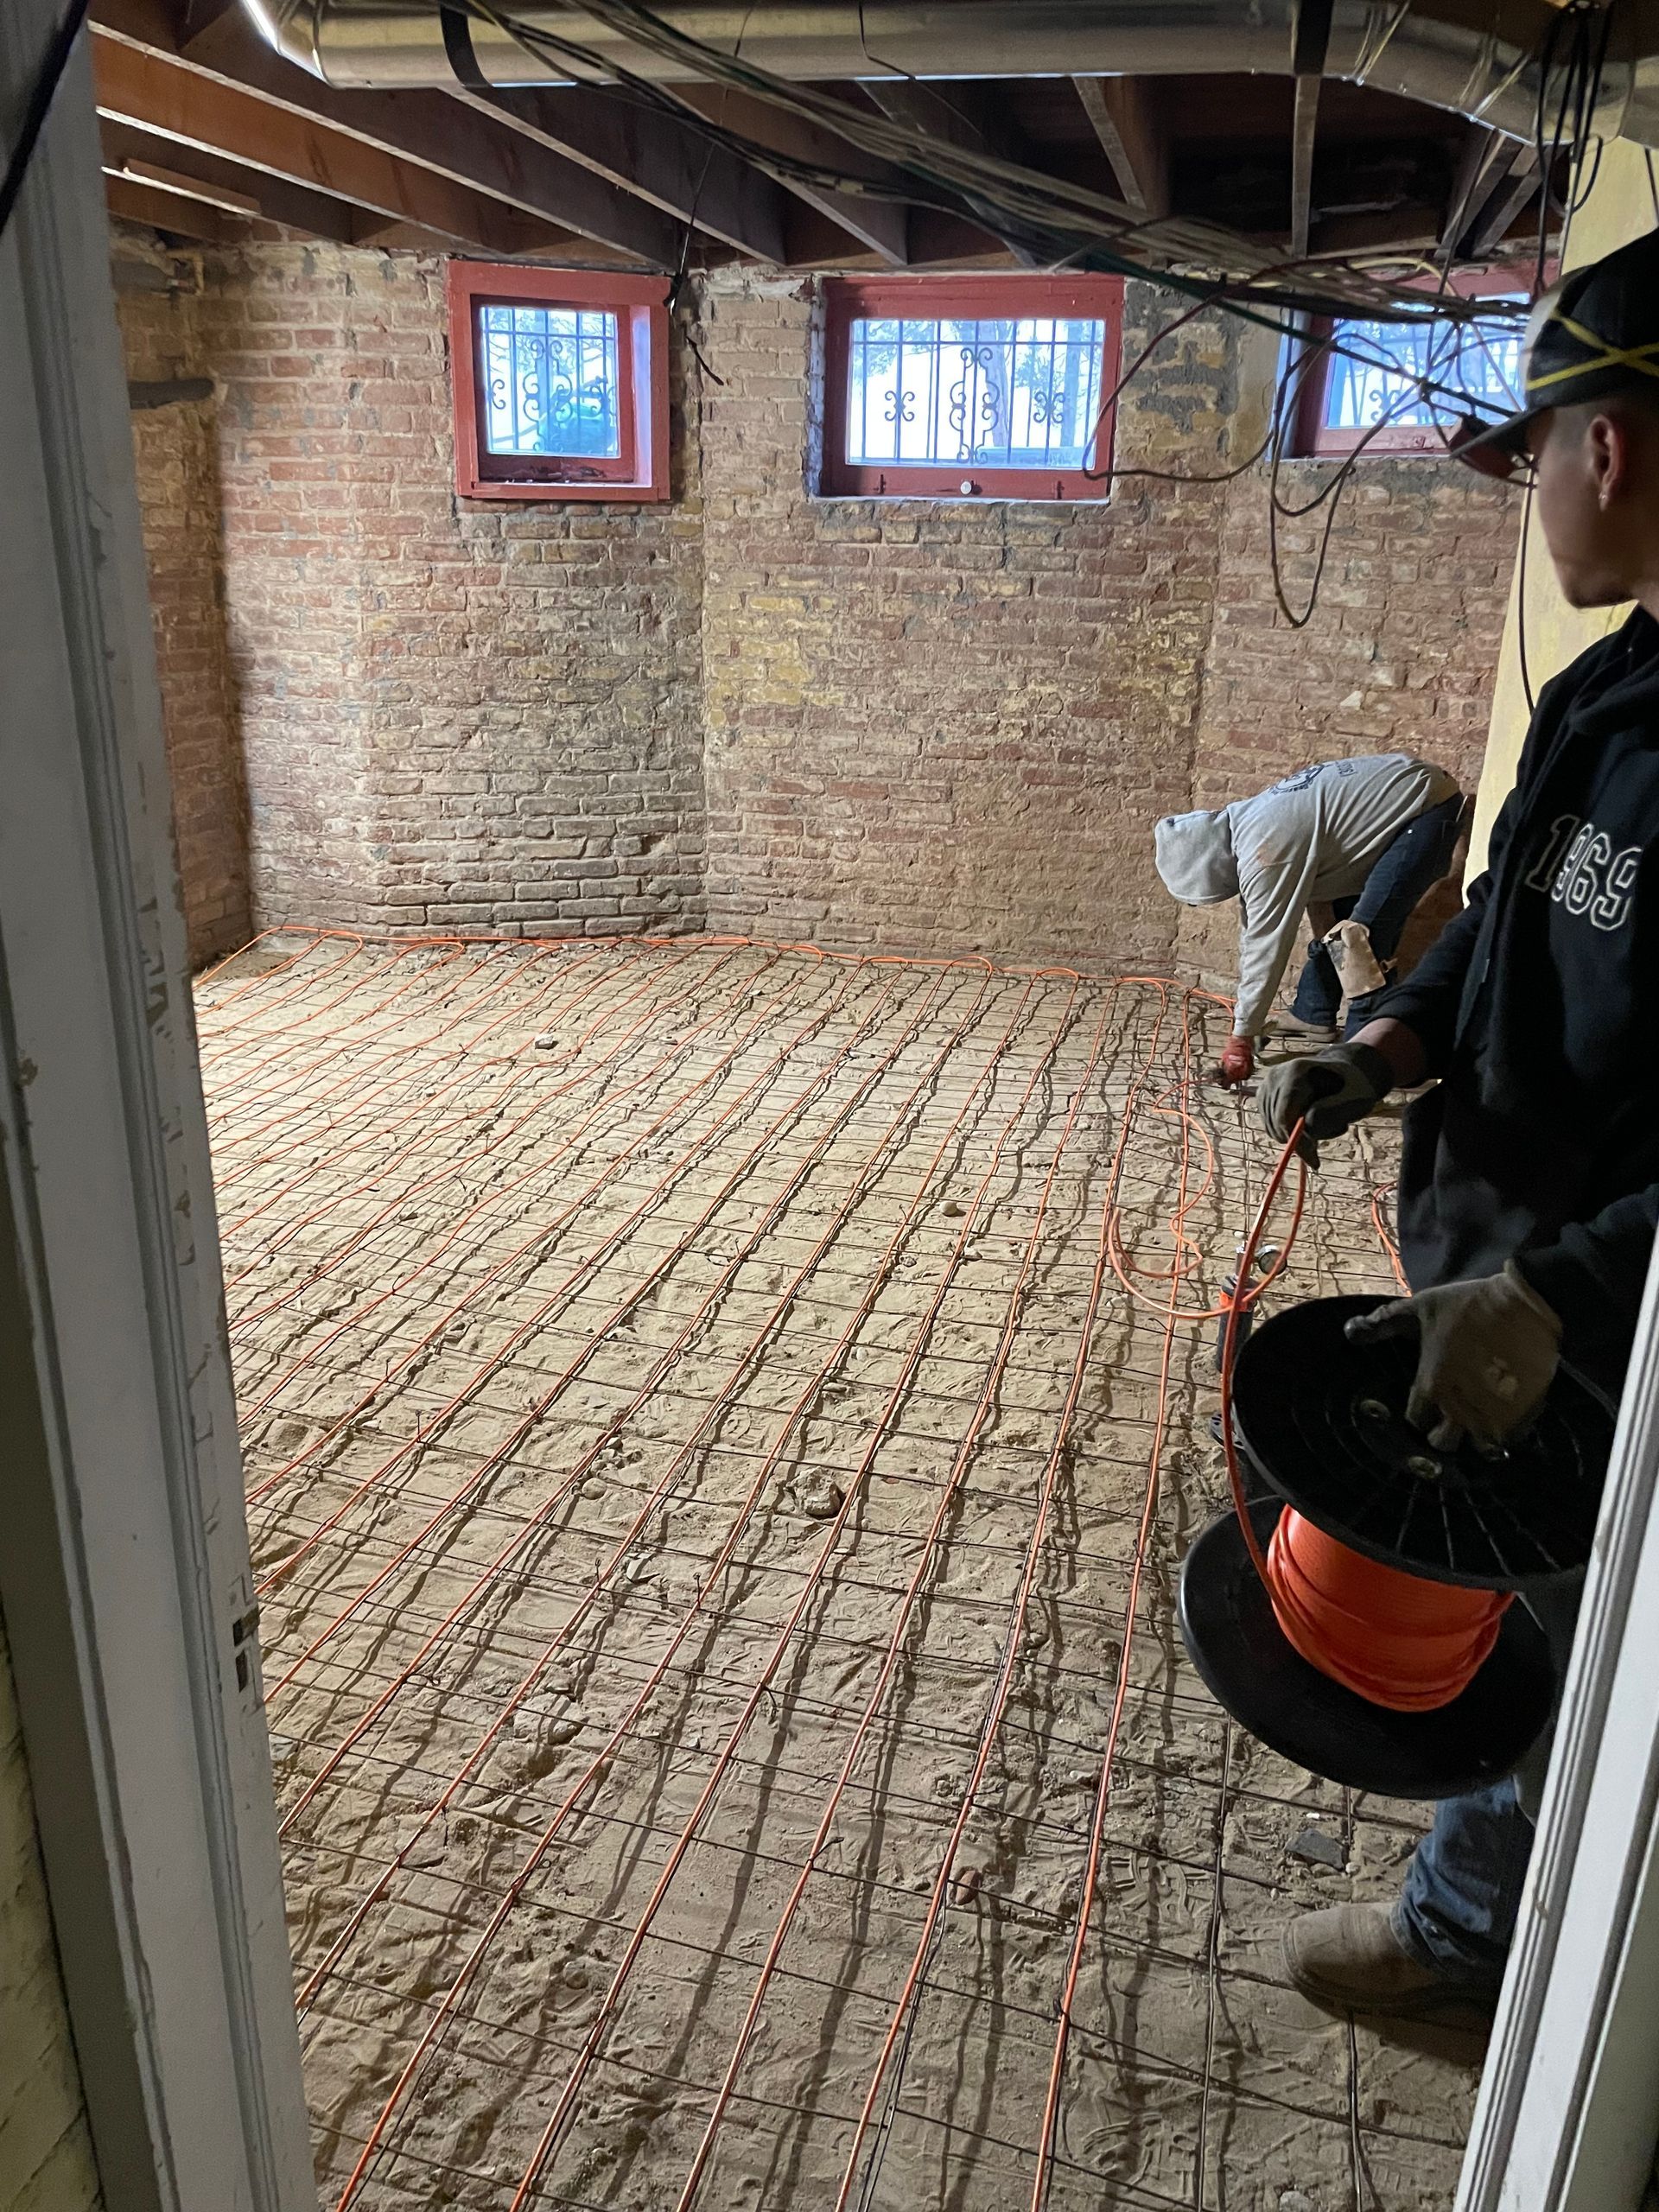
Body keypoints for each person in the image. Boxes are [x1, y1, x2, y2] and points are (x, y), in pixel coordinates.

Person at [1256, 226, 1659, 2018]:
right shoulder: (1609, 691)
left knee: (1581, 1635)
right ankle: (1479, 1887)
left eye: (1537, 456)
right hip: (1506, 1280)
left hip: (1603, 1336)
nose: (1541, 503)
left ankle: (1468, 1939)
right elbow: (1502, 920)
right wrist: (1390, 1036)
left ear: (1613, 447)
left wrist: (1565, 1296)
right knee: (1502, 1583)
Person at [1154, 753, 1465, 1087]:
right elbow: (1261, 924)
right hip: (1411, 797)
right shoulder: (1245, 825)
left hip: (1427, 812)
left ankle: (1361, 1068)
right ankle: (1313, 1014)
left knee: (1361, 946)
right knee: (1337, 928)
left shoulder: (1266, 851)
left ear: (1207, 870)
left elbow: (1265, 945)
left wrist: (1241, 1036)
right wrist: (1248, 1023)